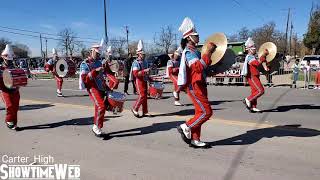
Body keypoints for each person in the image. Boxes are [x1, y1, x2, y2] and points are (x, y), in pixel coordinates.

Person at [176, 17, 216, 148]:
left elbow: (203, 67)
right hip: (194, 86)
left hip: (200, 84)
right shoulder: (188, 52)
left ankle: (195, 139)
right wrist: (208, 53)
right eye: (195, 35)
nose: (198, 36)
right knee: (206, 112)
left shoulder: (196, 52)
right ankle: (186, 126)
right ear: (189, 38)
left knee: (199, 112)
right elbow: (197, 67)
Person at [79, 45, 111, 137]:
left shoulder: (99, 62)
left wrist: (106, 87)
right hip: (92, 87)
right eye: (96, 53)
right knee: (101, 106)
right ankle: (96, 127)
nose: (98, 55)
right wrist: (95, 71)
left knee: (99, 107)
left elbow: (101, 77)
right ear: (91, 52)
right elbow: (85, 79)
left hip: (100, 87)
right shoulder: (85, 64)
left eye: (98, 53)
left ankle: (97, 126)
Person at [241, 38, 269, 113]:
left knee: (255, 92)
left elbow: (258, 64)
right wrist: (263, 55)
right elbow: (256, 63)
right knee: (260, 91)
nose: (255, 50)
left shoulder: (252, 57)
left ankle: (253, 107)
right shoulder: (249, 57)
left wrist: (265, 66)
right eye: (253, 49)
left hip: (255, 76)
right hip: (252, 76)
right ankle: (248, 99)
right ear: (249, 49)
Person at [130, 40, 153, 118]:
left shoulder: (145, 62)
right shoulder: (135, 63)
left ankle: (145, 111)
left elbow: (146, 72)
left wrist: (149, 78)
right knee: (142, 95)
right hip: (138, 81)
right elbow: (136, 74)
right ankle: (134, 108)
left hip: (144, 80)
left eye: (144, 54)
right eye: (142, 54)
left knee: (145, 96)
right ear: (138, 54)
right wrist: (145, 71)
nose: (144, 55)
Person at [0, 44, 21, 130]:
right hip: (5, 90)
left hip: (15, 90)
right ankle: (8, 120)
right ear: (3, 58)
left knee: (15, 107)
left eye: (10, 60)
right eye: (7, 60)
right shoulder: (0, 68)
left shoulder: (15, 67)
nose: (9, 61)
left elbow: (19, 78)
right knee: (10, 106)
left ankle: (14, 124)